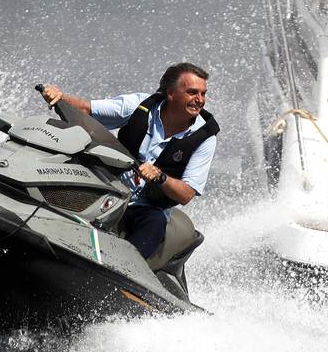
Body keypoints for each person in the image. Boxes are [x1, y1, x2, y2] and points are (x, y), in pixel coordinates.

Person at [39, 63, 220, 258]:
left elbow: (186, 194)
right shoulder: (139, 105)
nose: (200, 100)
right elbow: (86, 109)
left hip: (145, 209)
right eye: (192, 92)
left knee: (155, 220)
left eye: (203, 93)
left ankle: (121, 270)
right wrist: (59, 96)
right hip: (108, 188)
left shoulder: (205, 137)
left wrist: (161, 178)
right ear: (171, 93)